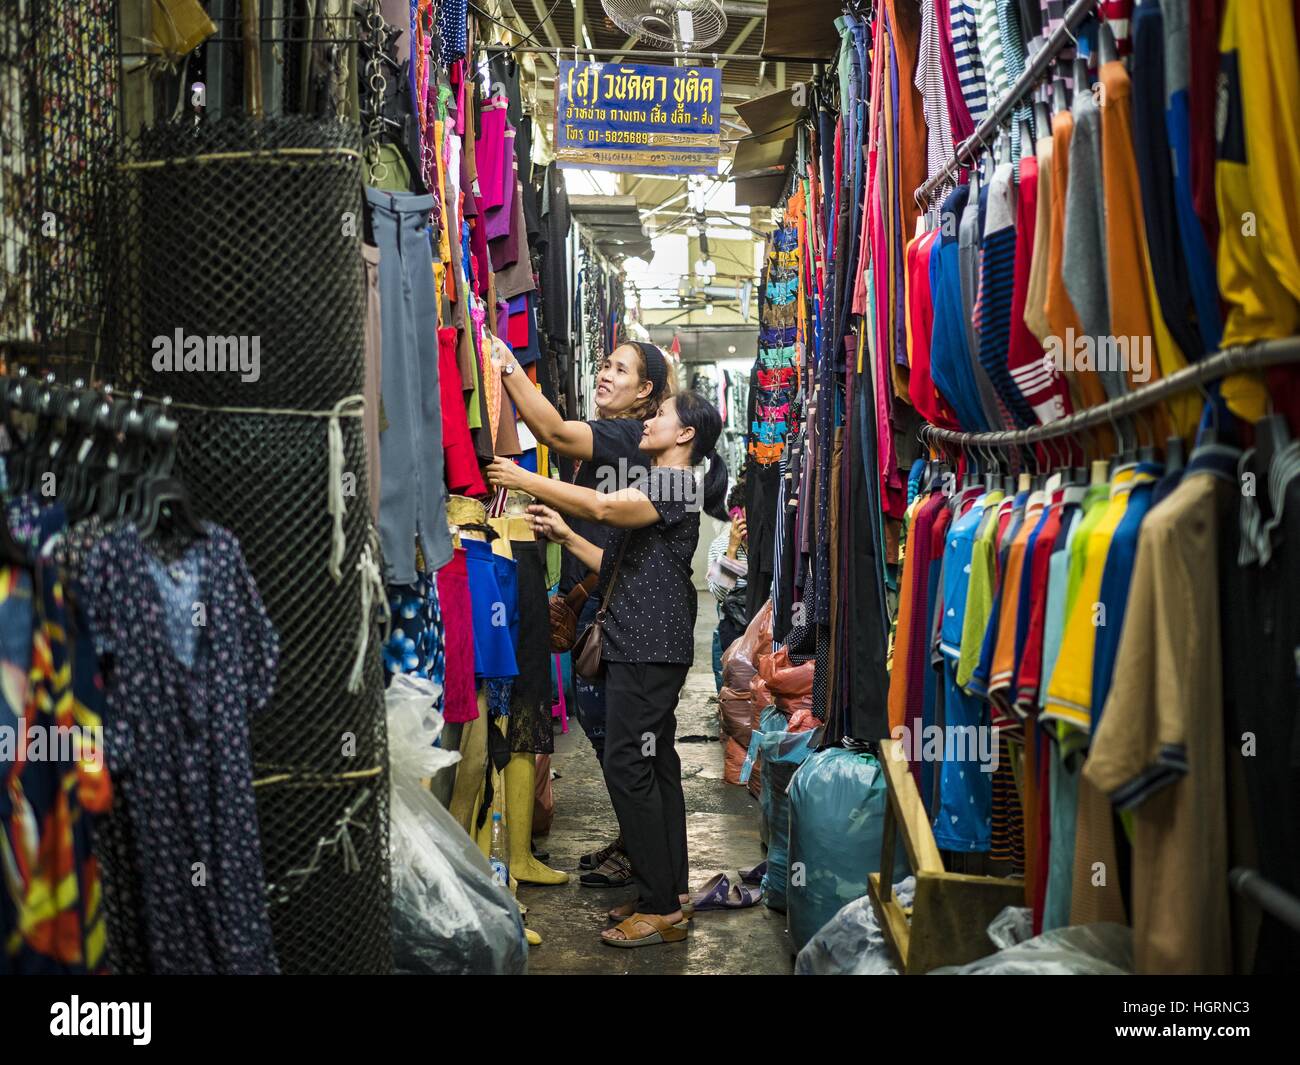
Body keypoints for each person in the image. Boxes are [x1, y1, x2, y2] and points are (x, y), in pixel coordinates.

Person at [486, 390, 727, 948]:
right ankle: (665, 891)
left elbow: (600, 508)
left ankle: (662, 907)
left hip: (648, 645)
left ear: (685, 434)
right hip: (641, 641)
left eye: (661, 416)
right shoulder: (661, 482)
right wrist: (567, 537)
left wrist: (526, 481)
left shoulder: (673, 481)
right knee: (654, 763)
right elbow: (618, 561)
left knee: (628, 766)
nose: (650, 423)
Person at [488, 332, 671, 887]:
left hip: (606, 607)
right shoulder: (625, 438)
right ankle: (636, 842)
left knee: (616, 740)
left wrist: (506, 363)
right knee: (614, 737)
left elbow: (553, 432)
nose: (604, 374)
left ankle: (644, 854)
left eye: (619, 370)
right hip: (599, 603)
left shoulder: (624, 436)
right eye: (604, 365)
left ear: (646, 393)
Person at [707, 484, 748, 692]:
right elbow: (718, 592)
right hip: (734, 633)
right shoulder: (720, 545)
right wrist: (732, 550)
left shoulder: (773, 543)